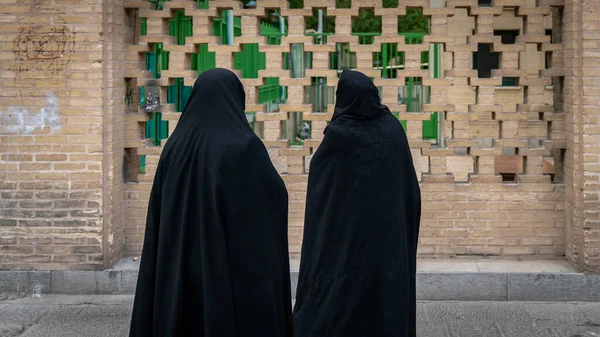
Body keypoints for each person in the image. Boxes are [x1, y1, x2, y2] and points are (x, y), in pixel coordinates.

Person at [129, 68, 293, 337]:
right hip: (227, 271)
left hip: (180, 269)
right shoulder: (243, 146)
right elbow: (273, 198)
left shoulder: (174, 147)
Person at [293, 70, 421, 337]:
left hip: (345, 240)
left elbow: (322, 185)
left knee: (343, 291)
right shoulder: (393, 129)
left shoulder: (340, 134)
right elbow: (408, 190)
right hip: (386, 242)